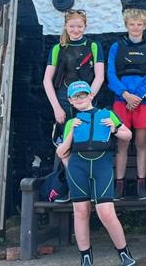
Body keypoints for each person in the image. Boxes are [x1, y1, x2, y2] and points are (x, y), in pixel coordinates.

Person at [55, 81, 137, 266]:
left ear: (91, 95)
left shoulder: (107, 114)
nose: (80, 99)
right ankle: (85, 257)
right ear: (70, 101)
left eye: (83, 95)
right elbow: (61, 152)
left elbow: (128, 135)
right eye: (76, 97)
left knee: (106, 212)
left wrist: (115, 129)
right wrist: (71, 133)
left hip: (102, 165)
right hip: (78, 167)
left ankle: (124, 253)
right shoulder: (70, 123)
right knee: (81, 211)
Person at [107, 8, 146, 200]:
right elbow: (111, 75)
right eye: (132, 24)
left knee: (141, 143)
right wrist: (125, 94)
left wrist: (136, 97)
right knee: (122, 143)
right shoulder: (116, 47)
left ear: (145, 26)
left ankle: (141, 186)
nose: (136, 28)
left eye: (139, 24)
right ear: (126, 25)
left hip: (143, 101)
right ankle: (119, 186)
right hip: (122, 100)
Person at [43, 9, 105, 156]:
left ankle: (84, 174)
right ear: (66, 26)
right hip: (64, 98)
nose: (75, 30)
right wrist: (56, 108)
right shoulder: (58, 48)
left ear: (85, 27)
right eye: (72, 26)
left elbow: (100, 76)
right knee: (65, 140)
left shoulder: (93, 46)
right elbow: (46, 80)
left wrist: (89, 97)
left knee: (86, 137)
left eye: (79, 26)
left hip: (87, 97)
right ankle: (67, 175)